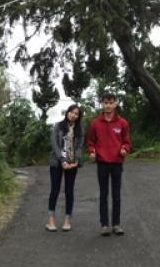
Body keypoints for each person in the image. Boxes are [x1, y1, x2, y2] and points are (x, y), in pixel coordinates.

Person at [86, 92, 131, 236]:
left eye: (111, 103)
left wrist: (124, 149)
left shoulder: (122, 123)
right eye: (106, 102)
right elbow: (91, 142)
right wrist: (92, 152)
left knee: (116, 195)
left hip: (117, 163)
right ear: (102, 104)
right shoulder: (95, 123)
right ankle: (104, 225)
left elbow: (126, 141)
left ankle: (116, 224)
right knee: (103, 195)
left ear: (115, 104)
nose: (108, 105)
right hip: (102, 163)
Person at [46, 104, 84, 232]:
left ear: (78, 117)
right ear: (67, 112)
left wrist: (76, 161)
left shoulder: (80, 130)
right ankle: (50, 219)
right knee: (55, 190)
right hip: (57, 162)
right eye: (71, 112)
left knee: (69, 191)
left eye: (76, 113)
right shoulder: (58, 126)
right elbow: (55, 145)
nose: (73, 115)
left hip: (72, 163)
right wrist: (63, 161)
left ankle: (67, 219)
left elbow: (79, 147)